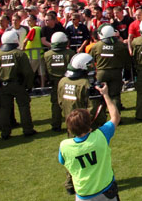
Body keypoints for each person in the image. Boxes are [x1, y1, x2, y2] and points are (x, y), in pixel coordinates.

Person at [58, 82, 121, 201]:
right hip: (106, 191)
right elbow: (115, 117)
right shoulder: (101, 136)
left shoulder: (64, 146)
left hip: (84, 194)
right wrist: (105, 95)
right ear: (89, 124)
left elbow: (62, 161)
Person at [58, 53, 106, 196]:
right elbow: (93, 109)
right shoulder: (86, 84)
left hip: (70, 123)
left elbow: (60, 102)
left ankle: (69, 183)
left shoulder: (62, 81)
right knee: (91, 156)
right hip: (87, 126)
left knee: (71, 156)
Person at [0, 30, 36, 140]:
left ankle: (5, 132)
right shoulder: (19, 54)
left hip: (3, 86)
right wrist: (28, 85)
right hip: (18, 85)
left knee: (4, 109)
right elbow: (28, 72)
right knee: (23, 106)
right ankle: (27, 130)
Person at [89, 24, 131, 114]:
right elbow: (127, 60)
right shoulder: (120, 45)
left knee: (100, 96)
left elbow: (91, 60)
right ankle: (116, 117)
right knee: (115, 96)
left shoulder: (96, 46)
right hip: (116, 73)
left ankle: (101, 117)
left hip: (101, 73)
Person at [43, 31, 75, 131]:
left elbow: (44, 71)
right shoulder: (70, 53)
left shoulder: (47, 54)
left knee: (55, 104)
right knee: (70, 103)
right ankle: (72, 124)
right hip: (68, 81)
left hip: (55, 83)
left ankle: (56, 125)